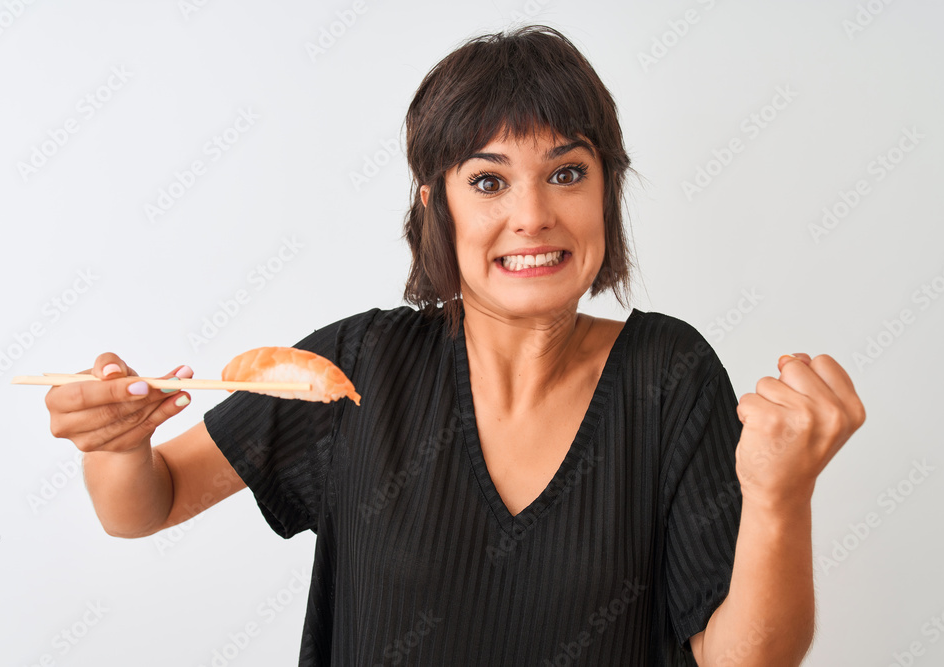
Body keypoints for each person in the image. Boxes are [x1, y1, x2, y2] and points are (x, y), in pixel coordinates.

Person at [45, 25, 865, 667]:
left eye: (567, 173)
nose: (533, 215)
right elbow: (143, 505)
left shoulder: (670, 375)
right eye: (488, 180)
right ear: (436, 204)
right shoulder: (355, 371)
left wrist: (779, 495)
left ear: (607, 192)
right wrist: (117, 443)